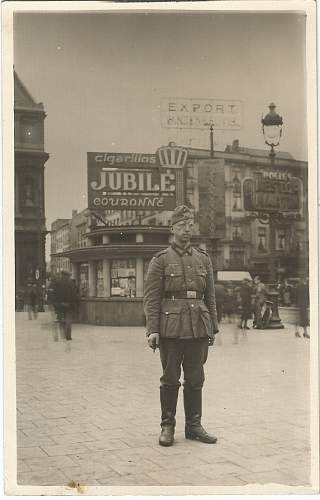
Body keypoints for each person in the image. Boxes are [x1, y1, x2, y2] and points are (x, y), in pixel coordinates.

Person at [143, 205, 219, 447]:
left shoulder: (203, 259)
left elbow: (210, 296)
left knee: (196, 378)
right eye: (182, 225)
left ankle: (194, 426)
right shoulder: (161, 260)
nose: (187, 229)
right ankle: (167, 426)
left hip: (199, 325)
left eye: (190, 224)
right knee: (170, 378)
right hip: (171, 327)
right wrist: (152, 329)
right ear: (172, 228)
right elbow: (152, 298)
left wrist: (213, 327)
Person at [51, 271, 79, 343]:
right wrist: (74, 303)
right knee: (68, 321)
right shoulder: (71, 283)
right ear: (68, 276)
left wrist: (56, 304)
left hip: (60, 305)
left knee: (61, 321)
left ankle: (63, 335)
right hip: (69, 305)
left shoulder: (57, 283)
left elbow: (54, 295)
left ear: (62, 275)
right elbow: (75, 295)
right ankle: (68, 336)